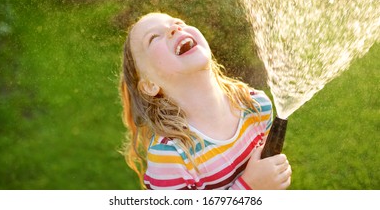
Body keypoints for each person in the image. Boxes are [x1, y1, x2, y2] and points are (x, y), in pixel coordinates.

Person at [120, 12, 292, 190]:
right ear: (149, 85)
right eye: (154, 37)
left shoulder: (257, 107)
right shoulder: (170, 156)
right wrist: (249, 188)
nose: (174, 28)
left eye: (178, 22)